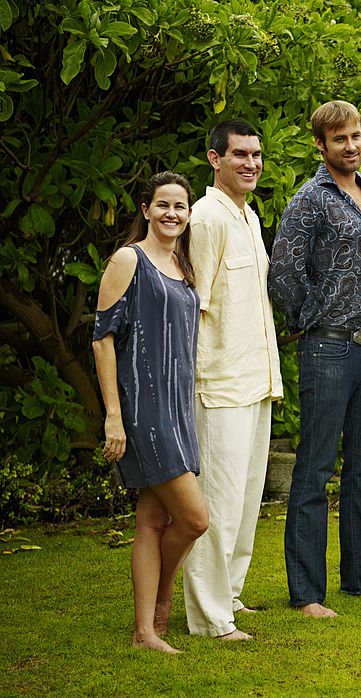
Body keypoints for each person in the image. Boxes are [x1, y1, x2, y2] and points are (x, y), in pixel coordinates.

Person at [269, 100, 361, 619]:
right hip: (328, 346)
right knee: (315, 470)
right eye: (340, 139)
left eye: (357, 136)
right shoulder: (309, 201)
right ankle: (307, 595)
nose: (352, 146)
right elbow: (283, 274)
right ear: (321, 145)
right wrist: (310, 319)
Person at [92, 171, 208, 654]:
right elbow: (102, 337)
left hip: (178, 406)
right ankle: (159, 609)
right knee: (195, 519)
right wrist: (113, 416)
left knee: (152, 520)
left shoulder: (183, 265)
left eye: (180, 206)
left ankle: (145, 632)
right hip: (144, 406)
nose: (172, 214)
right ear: (145, 209)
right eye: (163, 205)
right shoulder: (128, 259)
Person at [181, 119, 282, 640]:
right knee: (217, 502)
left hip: (255, 378)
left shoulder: (248, 216)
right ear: (214, 159)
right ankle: (208, 615)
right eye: (240, 154)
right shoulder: (206, 218)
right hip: (218, 382)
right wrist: (192, 379)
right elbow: (192, 307)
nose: (251, 163)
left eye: (256, 155)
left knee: (245, 499)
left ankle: (231, 595)